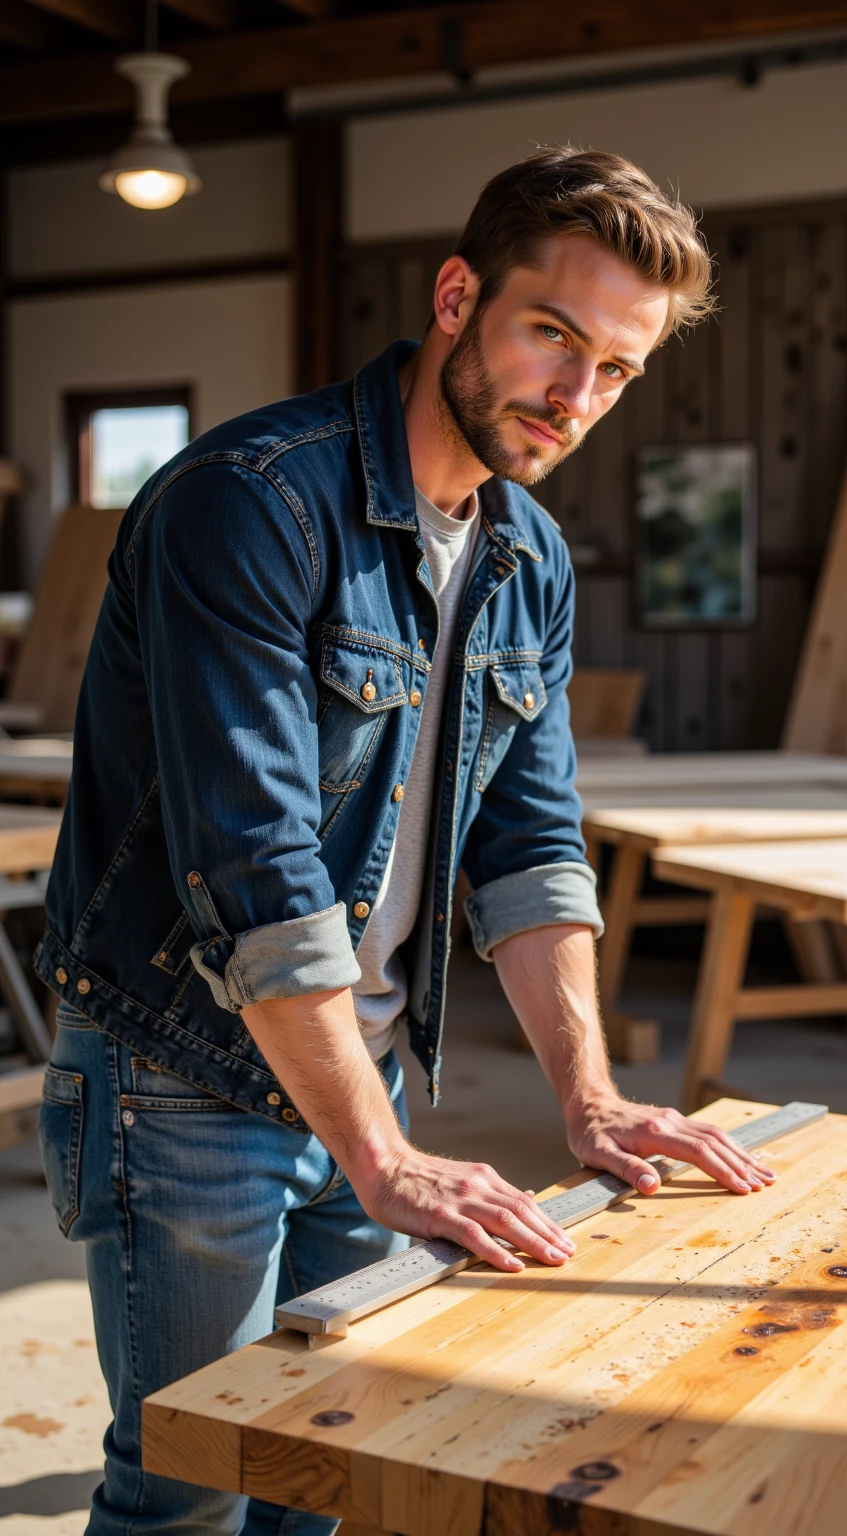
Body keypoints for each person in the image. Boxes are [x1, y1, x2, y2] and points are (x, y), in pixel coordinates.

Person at [36, 146, 774, 1535]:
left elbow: (533, 844)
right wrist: (382, 1161)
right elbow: (256, 864)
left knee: (329, 1464)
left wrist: (592, 1098)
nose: (578, 396)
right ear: (457, 297)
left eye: (617, 369)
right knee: (188, 1489)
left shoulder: (529, 556)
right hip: (180, 1073)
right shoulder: (248, 501)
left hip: (361, 1061)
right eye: (554, 336)